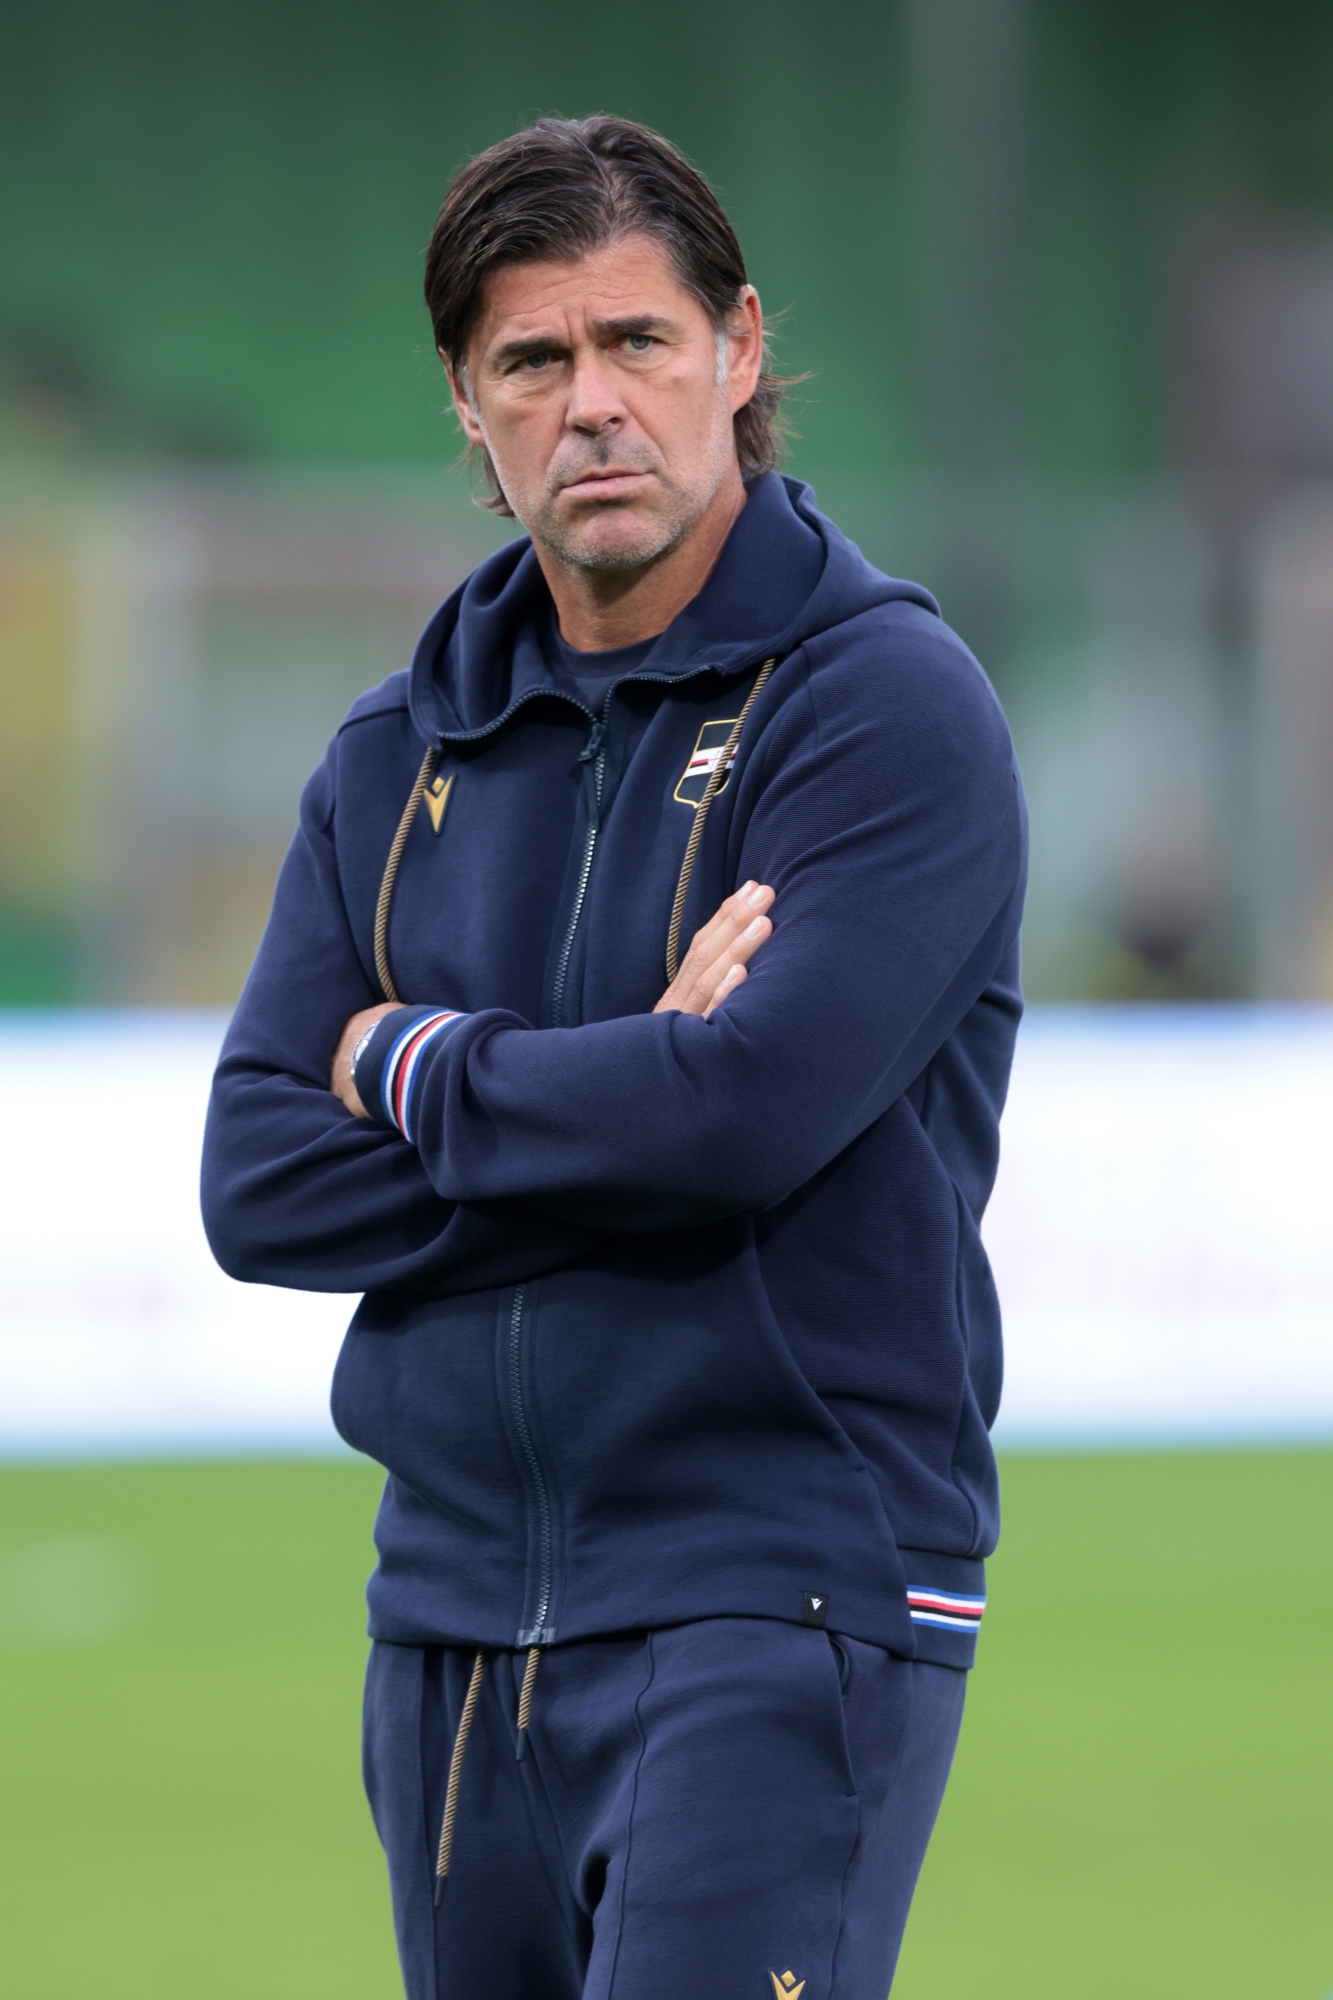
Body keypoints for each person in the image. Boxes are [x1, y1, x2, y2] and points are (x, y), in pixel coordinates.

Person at [201, 114, 1026, 2000]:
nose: (593, 402)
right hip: (447, 1620)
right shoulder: (393, 748)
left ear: (738, 355)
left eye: (637, 342)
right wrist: (613, 1086)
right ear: (467, 409)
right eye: (532, 361)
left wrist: (415, 1070)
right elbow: (254, 1178)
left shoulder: (882, 703)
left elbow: (737, 1121)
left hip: (782, 1588)